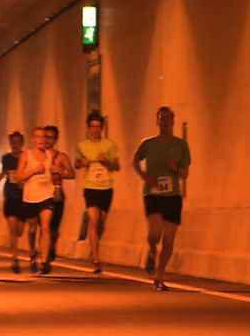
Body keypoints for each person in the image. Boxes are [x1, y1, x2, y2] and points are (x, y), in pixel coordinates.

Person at [132, 106, 191, 291]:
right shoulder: (148, 144)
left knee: (169, 240)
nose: (164, 121)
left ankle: (159, 276)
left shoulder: (181, 145)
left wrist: (175, 169)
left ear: (173, 121)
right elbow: (134, 161)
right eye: (161, 118)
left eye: (167, 118)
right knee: (155, 233)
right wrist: (144, 176)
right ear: (157, 122)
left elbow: (185, 174)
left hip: (173, 196)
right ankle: (151, 249)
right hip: (153, 195)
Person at [75, 110, 120, 273]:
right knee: (94, 221)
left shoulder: (110, 145)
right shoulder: (82, 146)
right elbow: (76, 164)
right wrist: (82, 162)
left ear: (102, 128)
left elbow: (117, 166)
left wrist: (105, 161)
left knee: (101, 223)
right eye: (92, 126)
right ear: (88, 128)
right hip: (90, 188)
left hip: (106, 188)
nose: (95, 129)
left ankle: (94, 246)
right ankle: (95, 257)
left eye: (98, 126)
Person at [17, 127, 58, 274]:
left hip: (47, 195)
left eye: (44, 137)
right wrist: (34, 171)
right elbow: (18, 177)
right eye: (38, 137)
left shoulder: (50, 154)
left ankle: (44, 261)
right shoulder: (26, 155)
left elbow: (53, 173)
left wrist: (56, 173)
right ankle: (32, 253)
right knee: (33, 229)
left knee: (46, 227)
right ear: (33, 139)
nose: (41, 140)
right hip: (31, 197)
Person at [43, 125, 75, 265]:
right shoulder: (38, 156)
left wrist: (61, 171)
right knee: (44, 226)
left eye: (50, 137)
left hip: (56, 194)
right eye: (45, 136)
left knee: (53, 227)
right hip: (41, 194)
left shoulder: (61, 157)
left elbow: (72, 174)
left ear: (55, 139)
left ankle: (51, 246)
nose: (47, 140)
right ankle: (44, 255)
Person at [0, 130, 27, 273]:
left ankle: (15, 254)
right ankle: (14, 259)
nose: (15, 145)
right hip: (10, 196)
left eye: (17, 142)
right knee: (12, 229)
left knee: (19, 230)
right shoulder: (6, 158)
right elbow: (3, 173)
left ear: (22, 143)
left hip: (23, 197)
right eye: (12, 143)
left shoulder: (26, 157)